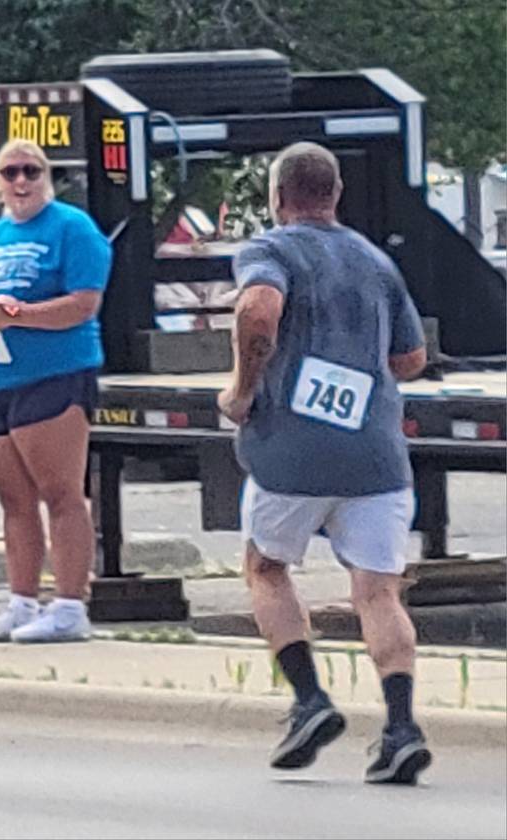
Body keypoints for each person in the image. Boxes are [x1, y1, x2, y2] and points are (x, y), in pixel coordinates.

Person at [217, 142, 431, 784]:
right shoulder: (375, 260)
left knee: (266, 566)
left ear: (278, 197)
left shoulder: (270, 250)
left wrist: (243, 388)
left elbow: (258, 308)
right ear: (335, 195)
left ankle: (309, 700)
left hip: (292, 452)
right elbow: (409, 359)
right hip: (375, 455)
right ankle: (400, 727)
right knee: (378, 590)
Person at [0, 139, 111, 645]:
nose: (21, 182)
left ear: (47, 177)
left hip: (54, 373)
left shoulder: (72, 228)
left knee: (62, 493)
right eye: (10, 173)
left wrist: (18, 314)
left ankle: (70, 603)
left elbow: (84, 304)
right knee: (13, 499)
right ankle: (21, 600)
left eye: (31, 171)